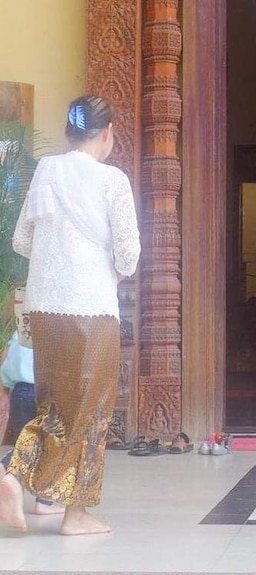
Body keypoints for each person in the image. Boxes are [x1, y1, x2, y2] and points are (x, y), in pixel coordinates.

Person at [0, 95, 141, 535]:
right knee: (91, 412)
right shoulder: (111, 181)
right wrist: (108, 267)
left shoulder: (46, 171)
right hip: (91, 311)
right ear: (105, 134)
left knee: (55, 407)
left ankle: (13, 475)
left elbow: (22, 240)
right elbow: (130, 256)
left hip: (44, 309)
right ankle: (72, 514)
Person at [0, 331, 61, 515]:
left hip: (19, 391)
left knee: (26, 442)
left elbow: (7, 367)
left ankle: (6, 471)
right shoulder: (51, 329)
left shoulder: (20, 331)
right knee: (51, 446)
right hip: (44, 392)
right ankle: (44, 501)